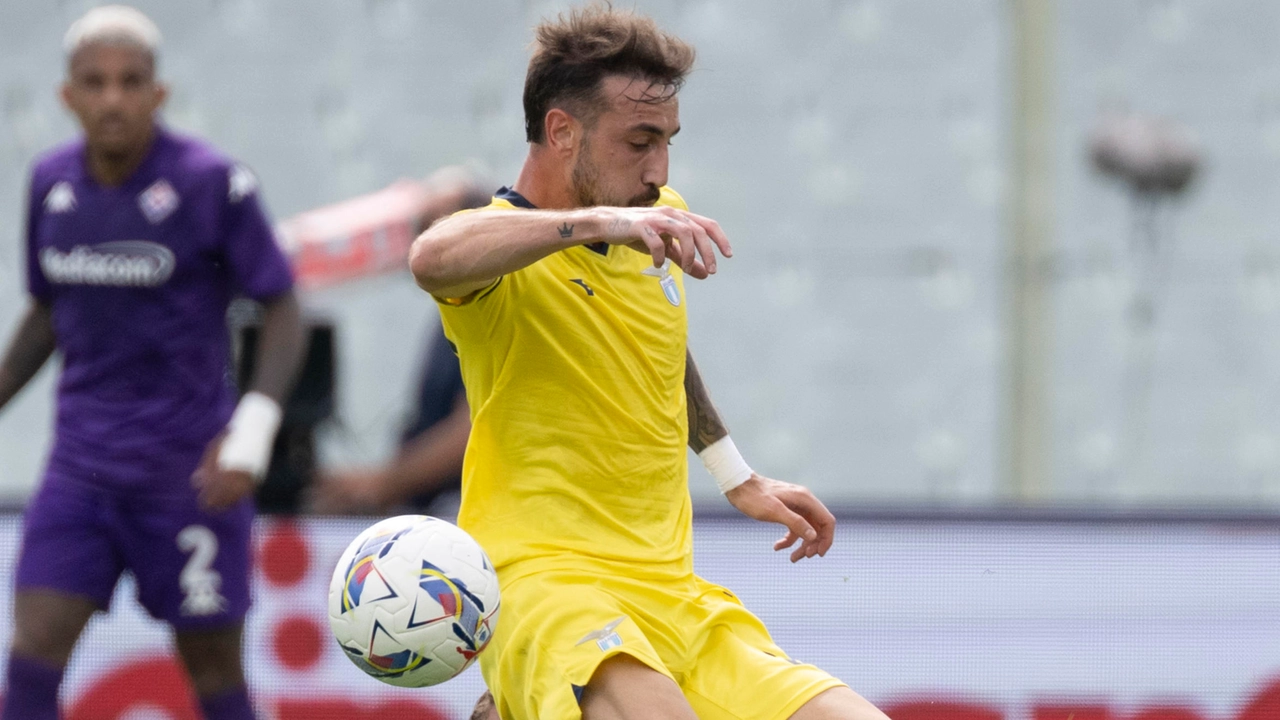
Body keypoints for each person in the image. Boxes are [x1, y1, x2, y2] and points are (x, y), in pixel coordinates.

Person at [409, 5, 892, 720]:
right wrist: (602, 222)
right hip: (548, 587)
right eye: (639, 141)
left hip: (672, 592)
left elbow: (662, 345)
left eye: (667, 141)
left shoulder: (655, 217)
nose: (659, 169)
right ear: (562, 130)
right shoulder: (504, 253)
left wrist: (735, 473)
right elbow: (432, 258)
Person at [0, 6, 304, 719]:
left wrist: (252, 435)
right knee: (34, 649)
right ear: (67, 95)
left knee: (214, 670)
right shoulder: (49, 184)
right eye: (95, 82)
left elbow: (282, 308)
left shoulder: (212, 183)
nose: (113, 98)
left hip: (189, 476)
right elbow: (48, 312)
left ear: (157, 93)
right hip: (80, 471)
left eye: (130, 81)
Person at [312, 318, 470, 515]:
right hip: (425, 508)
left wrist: (378, 486)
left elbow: (474, 431)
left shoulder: (486, 310)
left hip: (457, 514)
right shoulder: (451, 313)